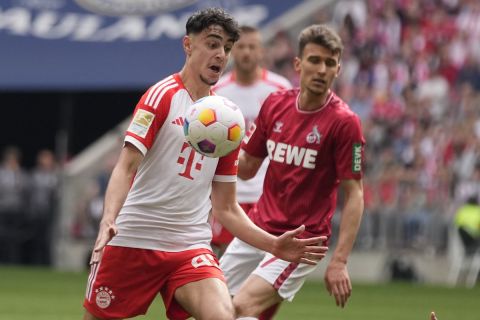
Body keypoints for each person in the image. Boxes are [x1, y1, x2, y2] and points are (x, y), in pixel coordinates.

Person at [82, 8, 328, 320]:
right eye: (212, 44)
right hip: (135, 239)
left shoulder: (228, 120)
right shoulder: (161, 97)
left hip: (189, 245)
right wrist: (107, 221)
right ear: (188, 45)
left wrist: (274, 246)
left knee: (224, 316)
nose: (221, 54)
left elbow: (226, 208)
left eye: (226, 47)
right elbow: (125, 167)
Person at [219, 24, 365, 319]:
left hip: (302, 241)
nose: (322, 69)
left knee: (241, 307)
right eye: (314, 60)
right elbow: (247, 168)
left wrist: (339, 261)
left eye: (330, 62)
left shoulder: (344, 122)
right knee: (210, 305)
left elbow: (355, 194)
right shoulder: (275, 104)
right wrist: (214, 152)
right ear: (298, 64)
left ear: (338, 69)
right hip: (259, 228)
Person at [212, 25, 292, 256]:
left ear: (261, 51)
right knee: (224, 262)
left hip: (265, 193)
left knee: (266, 262)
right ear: (232, 51)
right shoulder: (217, 90)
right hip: (227, 191)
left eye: (252, 47)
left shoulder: (280, 89)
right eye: (241, 47)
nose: (246, 52)